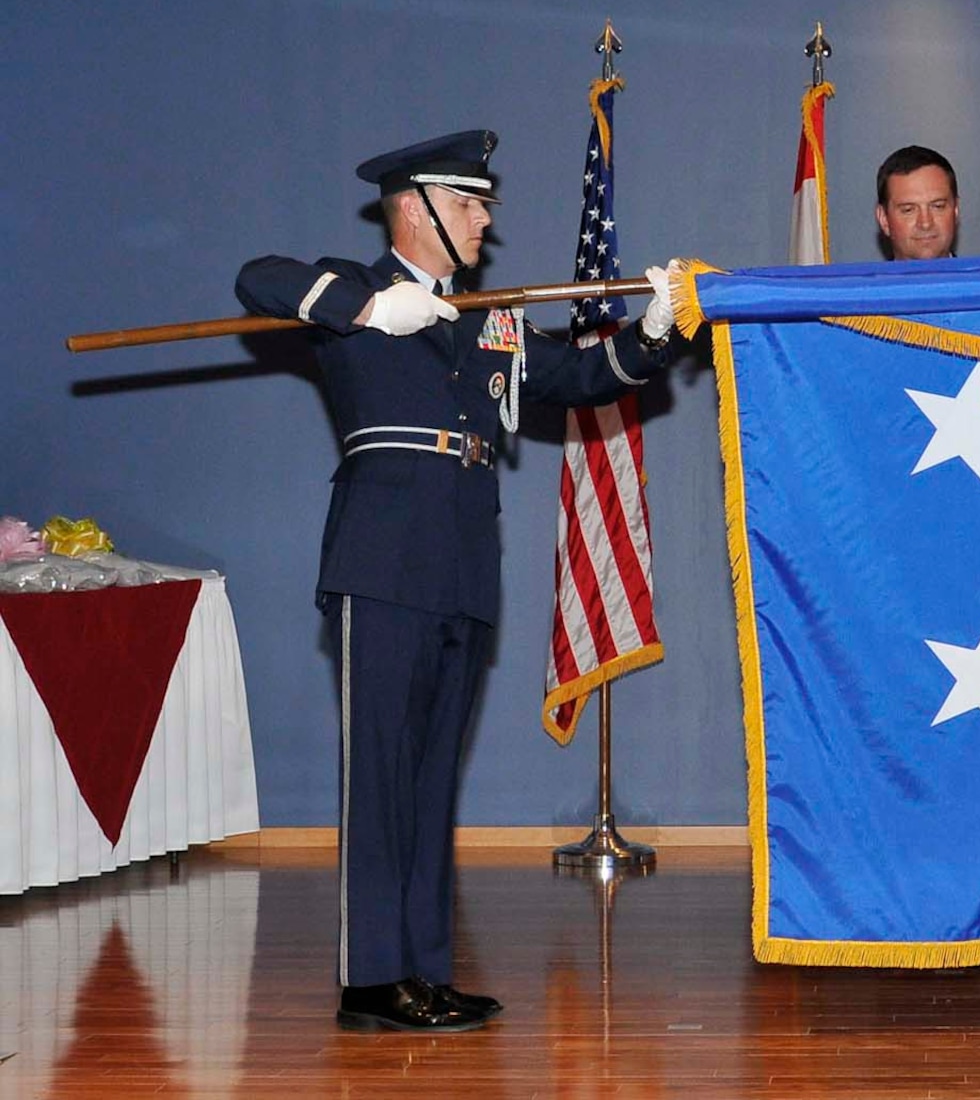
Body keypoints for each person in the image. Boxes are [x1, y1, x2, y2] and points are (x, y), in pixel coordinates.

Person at [234, 130, 680, 1032]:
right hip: (383, 556)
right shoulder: (347, 288)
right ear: (416, 208)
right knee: (381, 774)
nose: (484, 222)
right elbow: (258, 277)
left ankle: (424, 970)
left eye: (481, 206)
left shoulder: (493, 318)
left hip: (465, 559)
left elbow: (585, 375)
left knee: (434, 777)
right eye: (470, 205)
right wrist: (367, 311)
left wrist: (658, 332)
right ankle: (369, 979)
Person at [875, 145, 960, 260]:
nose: (925, 224)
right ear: (884, 219)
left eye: (938, 206)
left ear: (956, 210)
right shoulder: (850, 278)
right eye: (908, 210)